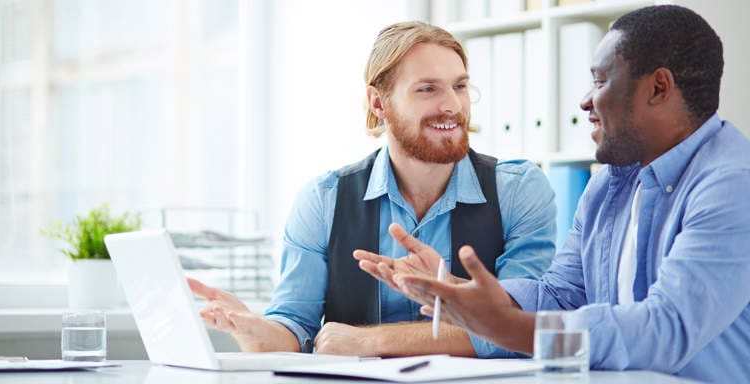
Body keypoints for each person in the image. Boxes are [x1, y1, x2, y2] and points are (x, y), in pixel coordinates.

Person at [356, 5, 750, 382]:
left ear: (658, 87)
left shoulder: (732, 184)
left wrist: (509, 327)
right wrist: (467, 294)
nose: (584, 102)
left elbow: (665, 328)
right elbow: (561, 295)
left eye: (599, 81)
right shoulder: (609, 184)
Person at [188, 21, 557, 358]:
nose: (452, 105)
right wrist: (256, 332)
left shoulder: (517, 190)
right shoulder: (323, 200)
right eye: (427, 89)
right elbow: (294, 327)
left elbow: (521, 329)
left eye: (460, 86)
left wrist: (371, 340)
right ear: (379, 103)